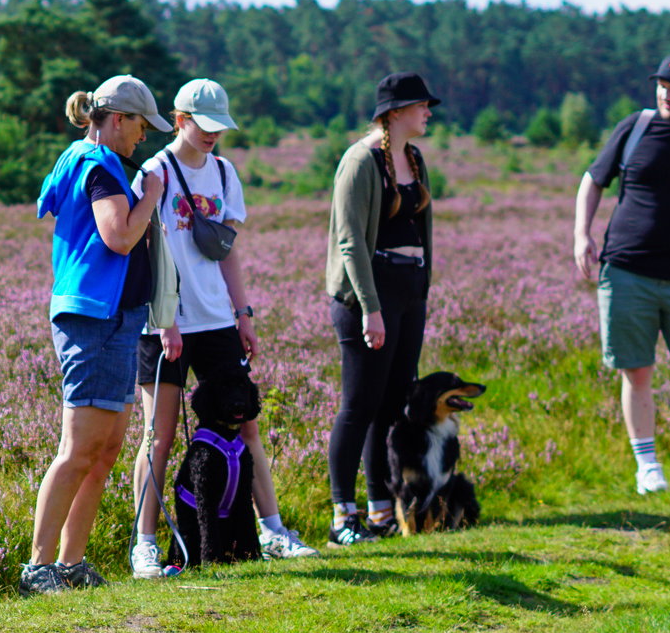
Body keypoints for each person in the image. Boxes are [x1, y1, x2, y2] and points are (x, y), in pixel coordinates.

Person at [130, 79, 317, 576]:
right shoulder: (154, 172)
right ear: (180, 120)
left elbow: (227, 251)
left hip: (217, 322)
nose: (213, 135)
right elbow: (145, 252)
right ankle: (145, 544)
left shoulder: (225, 172)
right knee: (158, 436)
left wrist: (243, 313)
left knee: (246, 426)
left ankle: (273, 531)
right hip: (164, 325)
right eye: (204, 126)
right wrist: (166, 320)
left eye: (220, 127)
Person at [25, 74, 172, 593]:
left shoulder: (90, 159)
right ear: (117, 119)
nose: (144, 137)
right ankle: (38, 568)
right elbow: (119, 237)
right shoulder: (98, 164)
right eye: (140, 125)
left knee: (105, 449)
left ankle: (72, 564)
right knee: (78, 449)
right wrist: (150, 195)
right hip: (94, 318)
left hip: (117, 317)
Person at [573, 51, 670, 493]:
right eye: (661, 86)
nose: (665, 95)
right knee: (636, 371)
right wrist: (581, 234)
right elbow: (593, 180)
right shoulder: (636, 126)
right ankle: (648, 468)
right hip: (627, 270)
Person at [324, 72, 441, 545]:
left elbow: (421, 230)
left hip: (409, 292)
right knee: (359, 405)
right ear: (394, 113)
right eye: (421, 105)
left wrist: (422, 289)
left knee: (391, 407)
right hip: (367, 296)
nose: (428, 112)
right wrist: (370, 308)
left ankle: (379, 512)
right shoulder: (360, 160)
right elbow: (350, 241)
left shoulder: (414, 157)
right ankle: (342, 518)